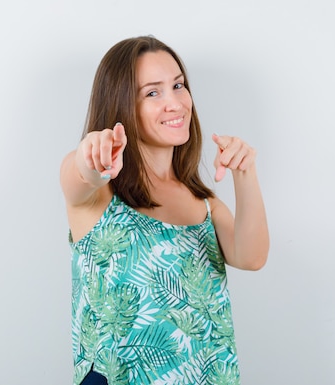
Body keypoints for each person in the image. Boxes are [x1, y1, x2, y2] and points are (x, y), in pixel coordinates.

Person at [60, 36, 269, 385]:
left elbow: (252, 257)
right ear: (121, 105)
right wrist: (92, 154)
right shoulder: (97, 196)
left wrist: (245, 172)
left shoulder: (204, 203)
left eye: (178, 86)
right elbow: (81, 173)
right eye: (152, 93)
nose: (175, 103)